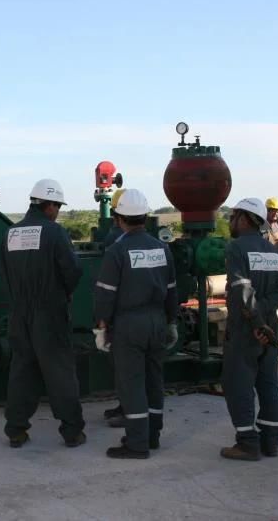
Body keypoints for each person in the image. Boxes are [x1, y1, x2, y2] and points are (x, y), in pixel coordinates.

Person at [0, 179, 86, 448]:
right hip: (49, 313)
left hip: (19, 313)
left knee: (22, 369)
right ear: (49, 205)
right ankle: (71, 431)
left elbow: (4, 274)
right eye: (58, 206)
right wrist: (65, 294)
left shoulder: (10, 234)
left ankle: (15, 430)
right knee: (59, 370)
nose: (58, 211)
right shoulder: (54, 233)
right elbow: (72, 271)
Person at [93, 189, 178, 459]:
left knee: (131, 384)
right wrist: (171, 321)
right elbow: (173, 289)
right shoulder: (162, 248)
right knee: (154, 380)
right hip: (157, 322)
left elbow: (105, 293)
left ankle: (137, 443)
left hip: (129, 324)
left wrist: (101, 326)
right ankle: (152, 435)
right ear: (144, 217)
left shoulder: (117, 250)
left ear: (119, 219)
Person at [220, 198, 278, 461]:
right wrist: (264, 314)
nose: (230, 221)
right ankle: (271, 440)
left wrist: (255, 321)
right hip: (270, 326)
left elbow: (241, 289)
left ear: (244, 218)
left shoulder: (236, 248)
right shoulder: (274, 251)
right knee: (267, 381)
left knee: (237, 383)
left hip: (246, 325)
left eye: (233, 216)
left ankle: (248, 442)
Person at [102, 188, 127, 427]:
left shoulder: (114, 241)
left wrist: (101, 319)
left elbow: (107, 286)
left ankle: (129, 412)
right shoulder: (154, 244)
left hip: (124, 317)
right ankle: (125, 407)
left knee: (125, 367)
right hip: (150, 317)